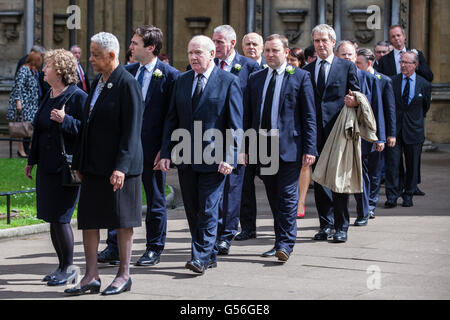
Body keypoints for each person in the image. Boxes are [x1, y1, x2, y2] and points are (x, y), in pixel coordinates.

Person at [158, 35, 243, 274]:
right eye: (190, 53)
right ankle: (210, 253)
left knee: (208, 208)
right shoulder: (182, 81)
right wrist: (166, 152)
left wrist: (231, 156)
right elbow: (171, 119)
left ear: (212, 54)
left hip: (215, 159)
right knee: (194, 209)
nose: (193, 57)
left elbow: (235, 126)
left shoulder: (228, 82)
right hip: (186, 158)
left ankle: (200, 258)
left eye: (198, 53)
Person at [67, 32, 143, 296]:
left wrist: (121, 167)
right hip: (94, 167)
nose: (90, 60)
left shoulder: (127, 83)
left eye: (95, 55)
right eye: (90, 54)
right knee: (89, 221)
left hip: (120, 169)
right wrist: (79, 160)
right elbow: (87, 125)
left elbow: (131, 130)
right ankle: (91, 276)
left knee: (122, 222)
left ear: (112, 56)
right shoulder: (98, 82)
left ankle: (124, 274)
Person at [98, 25, 180, 267]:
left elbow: (171, 117)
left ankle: (154, 248)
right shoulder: (126, 72)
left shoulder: (169, 75)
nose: (130, 47)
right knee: (117, 196)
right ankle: (113, 247)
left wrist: (165, 150)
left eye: (135, 43)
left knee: (155, 199)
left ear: (150, 47)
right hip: (124, 149)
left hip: (152, 149)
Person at [244, 34, 316, 261]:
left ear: (286, 52)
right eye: (267, 50)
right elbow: (249, 116)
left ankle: (286, 243)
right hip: (262, 146)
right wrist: (245, 146)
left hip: (289, 147)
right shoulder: (256, 78)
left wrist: (310, 148)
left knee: (286, 195)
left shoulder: (301, 77)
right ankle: (279, 241)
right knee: (273, 196)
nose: (270, 54)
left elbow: (309, 116)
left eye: (275, 50)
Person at [24, 49, 87, 286]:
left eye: (48, 66)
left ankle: (70, 266)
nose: (44, 70)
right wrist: (31, 161)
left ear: (59, 71)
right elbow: (39, 130)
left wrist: (66, 120)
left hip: (67, 169)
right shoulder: (49, 94)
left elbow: (87, 131)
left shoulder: (77, 96)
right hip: (47, 168)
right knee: (52, 218)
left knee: (61, 218)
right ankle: (61, 266)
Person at [303, 24, 360, 243]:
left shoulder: (346, 67)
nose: (320, 45)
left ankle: (341, 226)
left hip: (339, 133)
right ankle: (325, 225)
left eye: (324, 40)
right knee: (319, 182)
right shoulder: (306, 71)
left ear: (333, 42)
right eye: (316, 41)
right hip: (314, 134)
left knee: (338, 182)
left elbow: (359, 97)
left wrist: (355, 101)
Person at [211, 25, 260, 256]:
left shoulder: (250, 67)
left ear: (232, 43)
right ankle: (215, 230)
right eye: (214, 41)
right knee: (213, 189)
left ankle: (227, 234)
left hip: (238, 136)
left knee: (233, 188)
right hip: (210, 137)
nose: (215, 46)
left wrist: (247, 145)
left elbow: (254, 109)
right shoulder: (209, 65)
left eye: (220, 42)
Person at [376, 25, 433, 196]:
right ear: (390, 39)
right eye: (393, 36)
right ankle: (395, 190)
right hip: (394, 117)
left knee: (413, 158)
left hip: (413, 119)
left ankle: (411, 188)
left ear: (404, 36)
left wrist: (417, 62)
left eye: (399, 35)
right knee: (394, 161)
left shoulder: (417, 55)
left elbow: (428, 80)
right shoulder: (385, 61)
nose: (397, 39)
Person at [336, 41, 386, 227]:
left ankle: (363, 212)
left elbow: (377, 110)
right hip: (339, 135)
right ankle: (336, 217)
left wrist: (379, 137)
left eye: (350, 55)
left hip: (362, 136)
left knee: (361, 175)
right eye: (343, 55)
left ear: (355, 55)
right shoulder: (333, 76)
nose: (347, 58)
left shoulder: (369, 79)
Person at [384, 51, 431, 208]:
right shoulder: (392, 81)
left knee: (412, 165)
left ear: (415, 65)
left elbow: (425, 107)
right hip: (394, 132)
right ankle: (392, 195)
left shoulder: (424, 84)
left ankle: (409, 194)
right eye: (401, 62)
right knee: (393, 164)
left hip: (414, 132)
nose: (403, 65)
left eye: (406, 63)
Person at [356, 48, 396, 218]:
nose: (355, 66)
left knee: (375, 171)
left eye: (359, 63)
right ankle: (366, 203)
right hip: (360, 133)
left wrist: (389, 134)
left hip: (377, 134)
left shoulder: (383, 80)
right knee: (364, 171)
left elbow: (388, 109)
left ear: (369, 63)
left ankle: (371, 203)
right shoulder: (356, 79)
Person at [236, 32, 266, 242]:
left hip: (267, 136)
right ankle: (248, 227)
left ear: (262, 47)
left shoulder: (272, 66)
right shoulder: (240, 68)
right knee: (244, 184)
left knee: (275, 184)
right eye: (247, 44)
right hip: (244, 135)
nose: (251, 47)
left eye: (255, 44)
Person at [7, 52, 42, 158]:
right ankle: (21, 150)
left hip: (31, 104)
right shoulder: (24, 70)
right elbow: (18, 86)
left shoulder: (32, 71)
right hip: (24, 105)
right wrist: (18, 103)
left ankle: (31, 148)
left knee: (33, 126)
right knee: (21, 128)